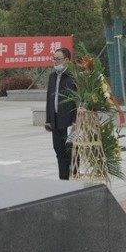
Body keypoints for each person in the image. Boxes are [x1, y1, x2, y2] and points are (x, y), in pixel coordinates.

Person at [45, 48, 77, 179]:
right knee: (59, 151)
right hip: (56, 121)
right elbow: (49, 99)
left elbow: (78, 100)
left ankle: (74, 178)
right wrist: (48, 119)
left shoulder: (73, 77)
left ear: (67, 60)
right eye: (54, 59)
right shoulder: (52, 76)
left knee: (71, 152)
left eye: (58, 59)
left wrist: (76, 120)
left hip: (69, 122)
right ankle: (63, 180)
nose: (55, 62)